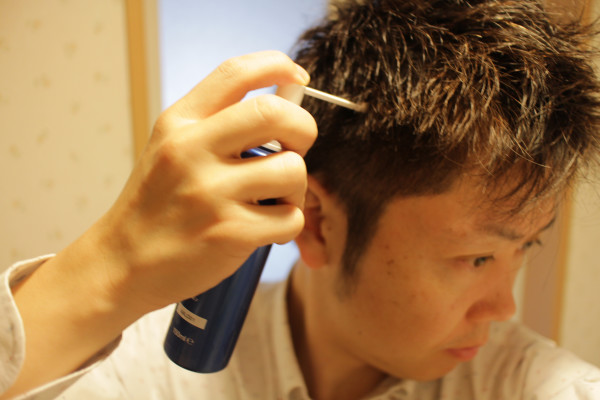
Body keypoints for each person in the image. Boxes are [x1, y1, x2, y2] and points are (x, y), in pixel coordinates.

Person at [2, 0, 600, 399]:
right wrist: (113, 262)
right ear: (316, 223)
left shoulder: (525, 384)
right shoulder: (150, 370)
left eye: (526, 248)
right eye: (478, 258)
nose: (503, 308)